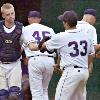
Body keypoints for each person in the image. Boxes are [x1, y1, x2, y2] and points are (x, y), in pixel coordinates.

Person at [39, 10, 95, 100]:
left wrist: (42, 43)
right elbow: (92, 54)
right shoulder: (86, 36)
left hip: (71, 72)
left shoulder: (61, 36)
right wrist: (83, 65)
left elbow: (43, 46)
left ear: (66, 23)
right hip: (84, 72)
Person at [0, 3, 38, 100]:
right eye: (8, 14)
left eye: (12, 13)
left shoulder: (21, 28)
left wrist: (42, 46)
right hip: (1, 65)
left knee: (14, 95)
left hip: (15, 64)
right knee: (2, 95)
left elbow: (31, 45)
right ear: (3, 15)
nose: (11, 16)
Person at [23, 10, 56, 100]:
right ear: (39, 19)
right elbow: (57, 45)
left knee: (37, 92)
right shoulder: (50, 29)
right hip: (50, 60)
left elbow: (21, 48)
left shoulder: (25, 29)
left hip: (35, 60)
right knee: (44, 90)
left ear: (28, 19)